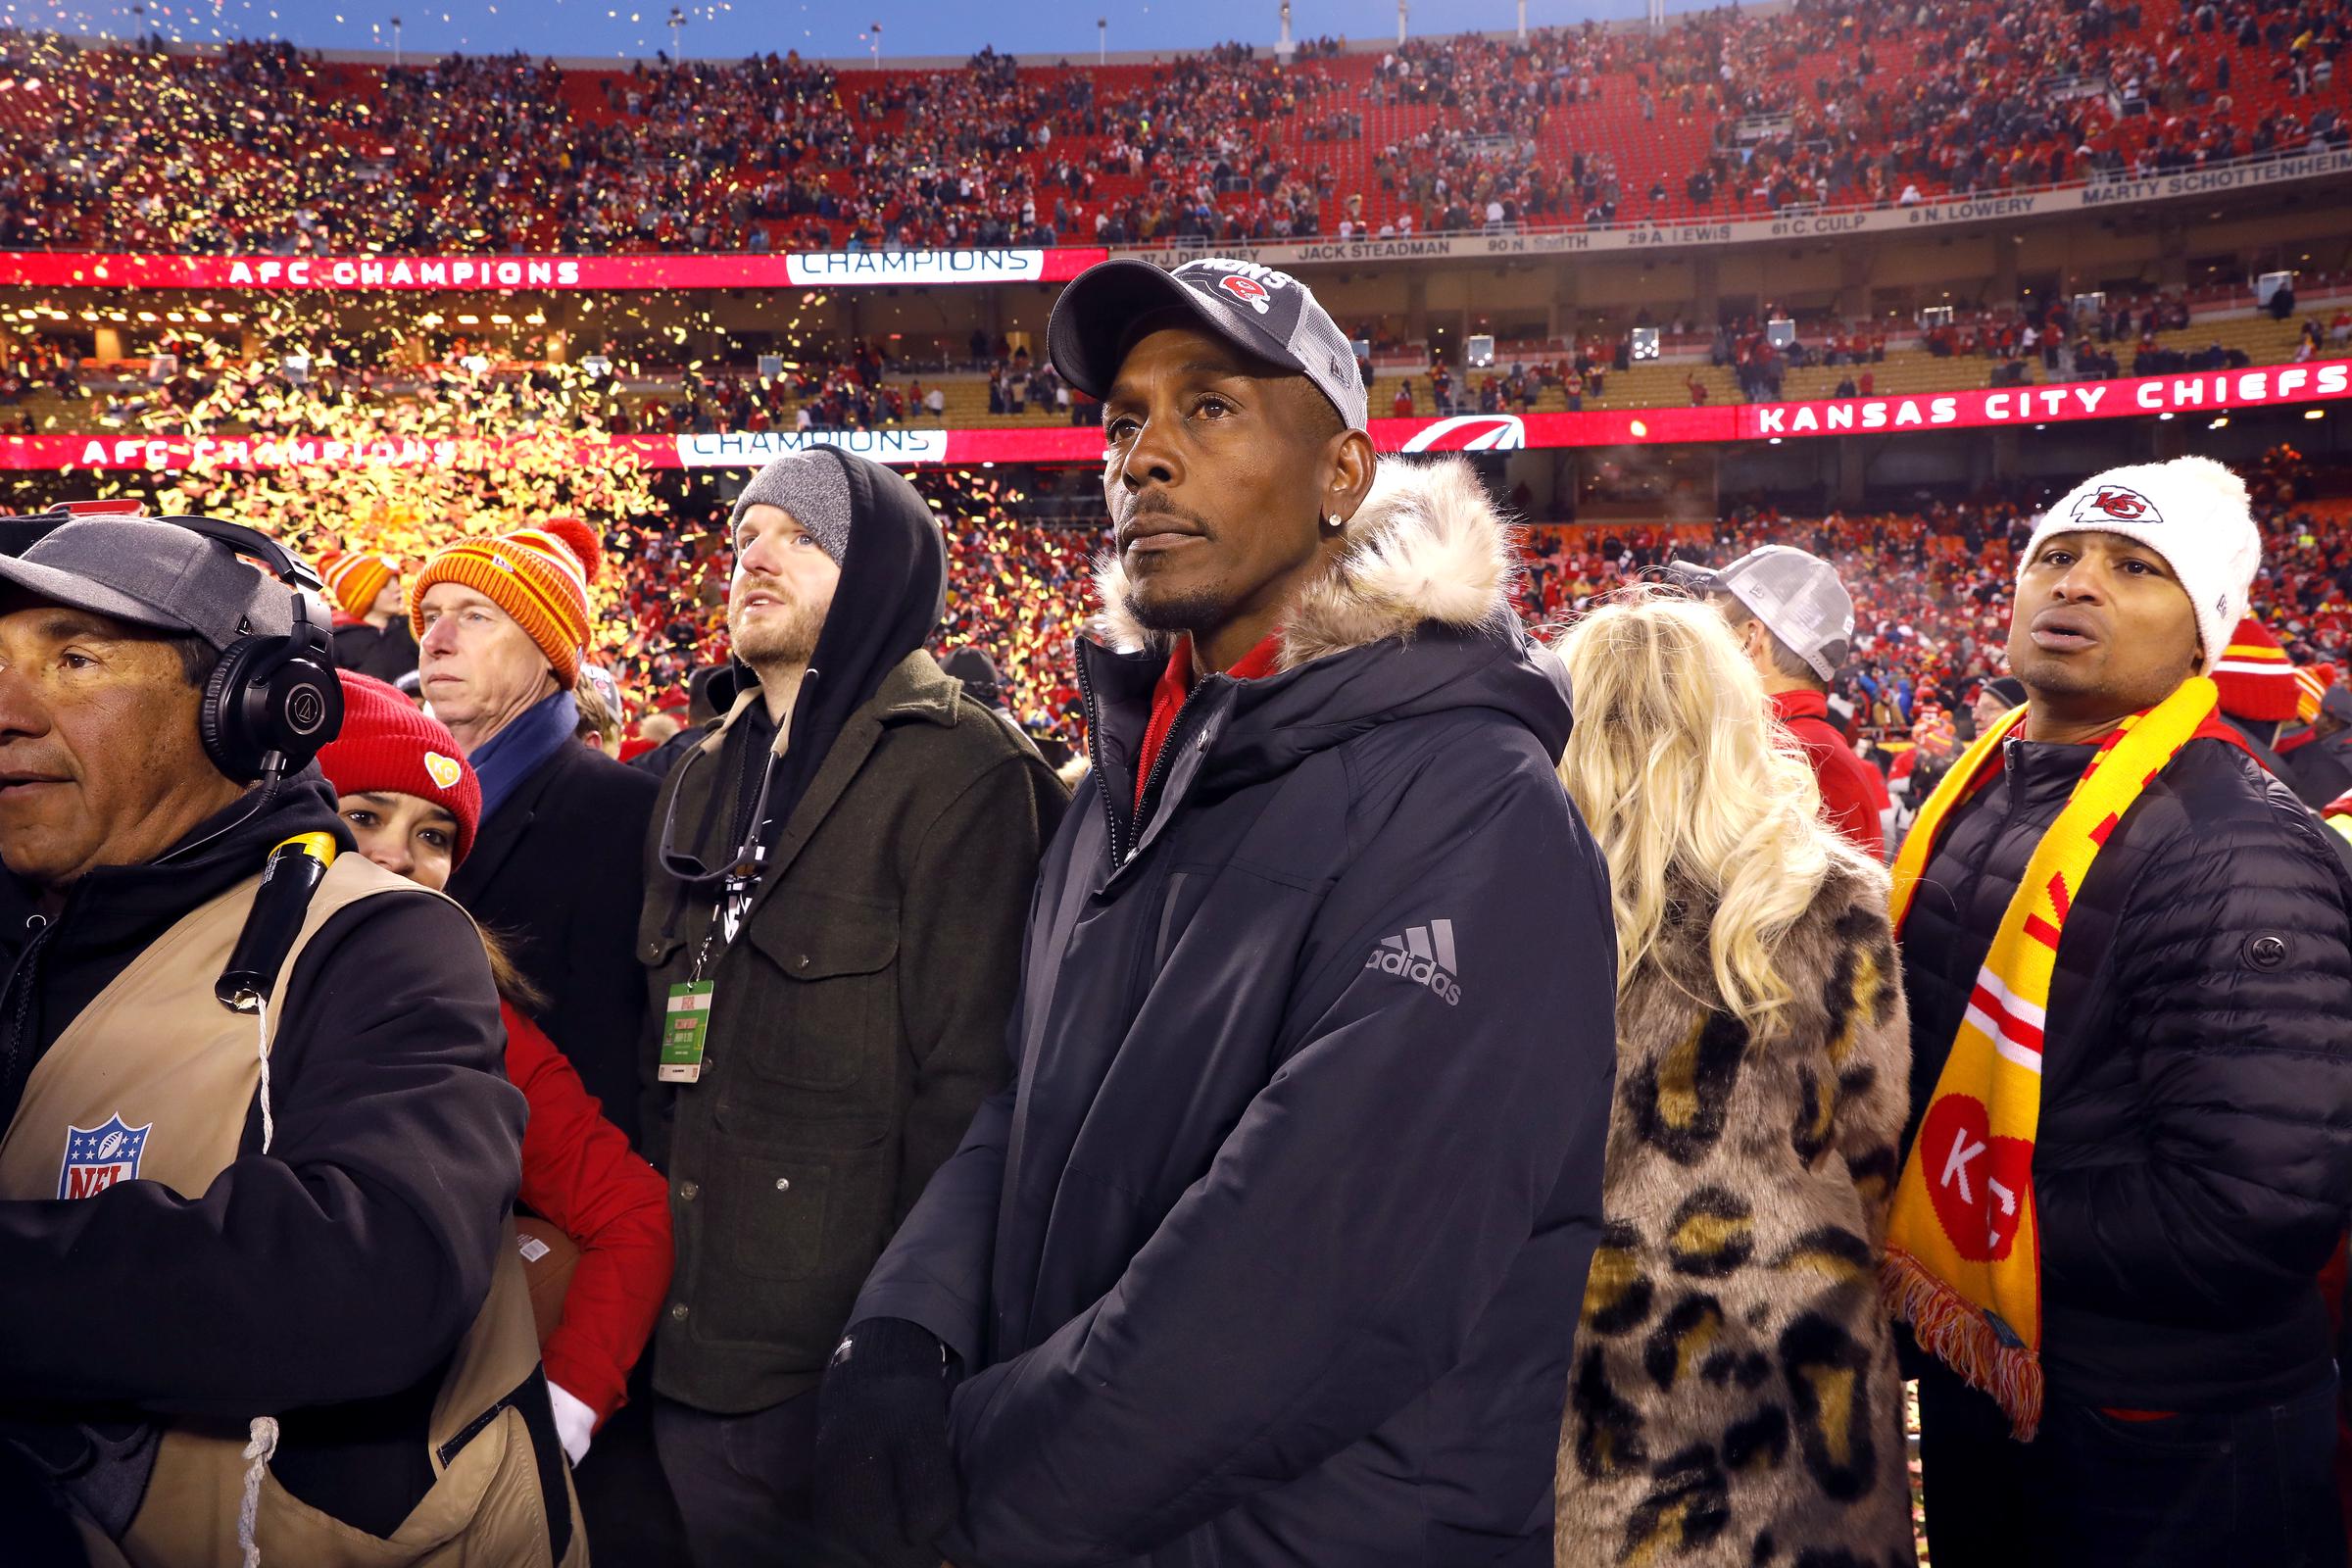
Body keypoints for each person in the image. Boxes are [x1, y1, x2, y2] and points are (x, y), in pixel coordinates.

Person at [817, 256, 1618, 1568]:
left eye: (1211, 409)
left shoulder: (1477, 807)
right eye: (1125, 419)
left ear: (1342, 478)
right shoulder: (1119, 789)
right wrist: (901, 1337)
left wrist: (975, 1494)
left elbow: (1311, 1288)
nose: (1145, 459)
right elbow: (1025, 1107)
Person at [0, 514, 579, 1563]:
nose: (6, 710)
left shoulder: (385, 937)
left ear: (241, 706)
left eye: (73, 659)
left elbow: (381, 1266)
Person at [1886, 458, 2352, 1568]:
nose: (2078, 584)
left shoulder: (2237, 847)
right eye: (2057, 555)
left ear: (2206, 636)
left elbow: (2253, 1208)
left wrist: (1931, 1221)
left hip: (2165, 1435)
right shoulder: (1988, 785)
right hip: (2004, 1380)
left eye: (2135, 567)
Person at [640, 446, 1064, 1567]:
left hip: (824, 1376)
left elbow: (974, 1093)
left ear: (875, 572)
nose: (756, 558)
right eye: (743, 539)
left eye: (801, 537)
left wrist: (905, 1348)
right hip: (670, 1353)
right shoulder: (696, 773)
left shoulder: (964, 773)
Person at [1551, 589, 1912, 1568]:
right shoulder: (1829, 894)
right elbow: (1877, 1137)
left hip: (1572, 1338)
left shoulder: (1509, 893)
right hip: (1795, 1348)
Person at [316, 670, 673, 1474]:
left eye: (434, 836)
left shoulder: (480, 1019)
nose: (396, 856)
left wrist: (561, 1419)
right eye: (364, 815)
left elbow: (635, 1214)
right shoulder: (169, 970)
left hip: (374, 1465)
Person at [411, 517, 659, 1147]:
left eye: (475, 616)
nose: (435, 639)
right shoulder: (391, 802)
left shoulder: (626, 810)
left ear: (549, 652)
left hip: (549, 1194)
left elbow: (617, 1053)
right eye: (432, 615)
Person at [1673, 544, 1886, 858]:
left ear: (1750, 638)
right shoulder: (1804, 745)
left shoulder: (1796, 757)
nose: (1700, 642)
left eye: (1713, 625)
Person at [321, 548, 417, 682]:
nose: (397, 589)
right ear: (363, 598)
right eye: (385, 586)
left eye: (396, 581)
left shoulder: (412, 627)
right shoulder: (338, 643)